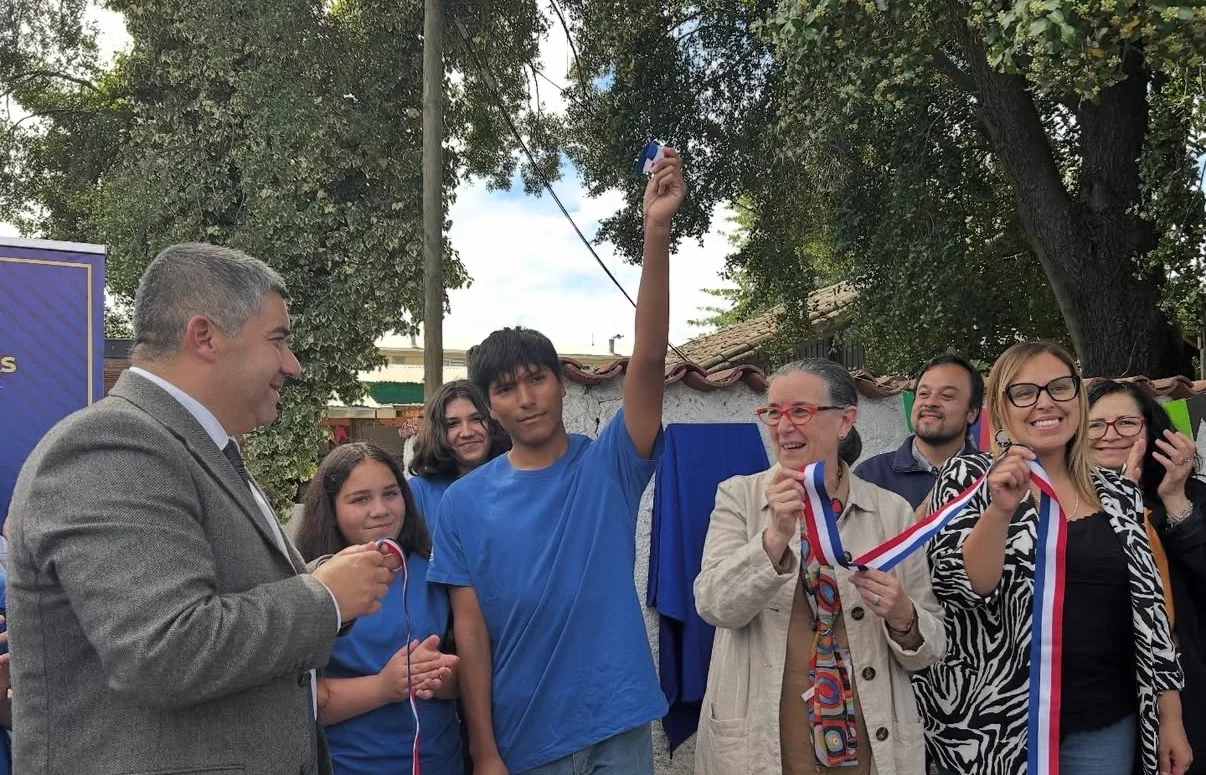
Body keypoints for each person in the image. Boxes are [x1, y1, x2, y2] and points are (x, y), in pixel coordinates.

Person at [5, 243, 394, 775]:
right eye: (278, 340)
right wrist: (323, 598)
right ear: (205, 336)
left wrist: (318, 580)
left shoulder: (194, 447)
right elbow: (164, 650)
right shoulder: (112, 444)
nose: (292, 365)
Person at [426, 147, 686, 774]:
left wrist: (655, 234)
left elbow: (648, 362)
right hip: (524, 738)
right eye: (507, 388)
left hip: (617, 721)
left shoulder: (611, 468)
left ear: (560, 382)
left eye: (536, 379)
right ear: (489, 407)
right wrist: (484, 751)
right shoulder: (461, 503)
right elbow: (474, 636)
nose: (526, 397)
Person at [913, 341, 1191, 775]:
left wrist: (1171, 718)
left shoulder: (1118, 493)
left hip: (1101, 724)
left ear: (1077, 399)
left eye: (1059, 387)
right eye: (1024, 392)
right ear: (1001, 410)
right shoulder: (967, 478)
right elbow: (959, 588)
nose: (1045, 402)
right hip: (991, 726)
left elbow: (1150, 612)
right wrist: (1000, 511)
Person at [693, 358, 944, 775]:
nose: (783, 425)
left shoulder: (891, 512)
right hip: (764, 747)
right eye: (773, 412)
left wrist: (904, 617)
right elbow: (714, 605)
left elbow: (930, 650)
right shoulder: (738, 498)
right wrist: (773, 537)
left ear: (845, 421)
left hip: (867, 745)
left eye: (800, 411)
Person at [296, 442, 463, 775]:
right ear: (331, 509)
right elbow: (297, 702)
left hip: (442, 762)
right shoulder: (307, 582)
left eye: (390, 493)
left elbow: (473, 671)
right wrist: (384, 687)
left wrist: (441, 676)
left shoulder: (437, 568)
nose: (381, 510)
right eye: (360, 499)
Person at [1088, 379, 1206, 774]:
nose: (1110, 435)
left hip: (1188, 683)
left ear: (1152, 430)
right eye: (1095, 425)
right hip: (1102, 693)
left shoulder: (1189, 495)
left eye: (1126, 423)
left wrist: (1175, 498)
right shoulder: (1067, 507)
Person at [854, 353, 983, 510]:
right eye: (923, 394)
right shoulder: (871, 476)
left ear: (972, 412)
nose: (930, 402)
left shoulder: (990, 477)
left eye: (947, 395)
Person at [408, 379, 510, 526]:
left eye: (476, 419)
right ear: (437, 432)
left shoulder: (517, 482)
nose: (467, 432)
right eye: (453, 424)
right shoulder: (417, 492)